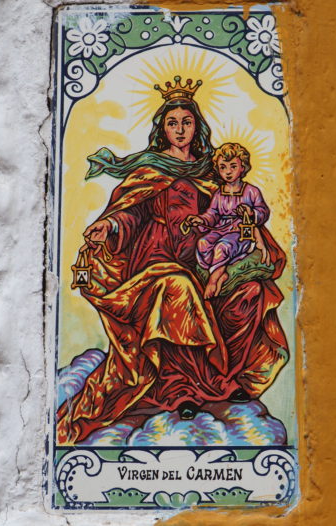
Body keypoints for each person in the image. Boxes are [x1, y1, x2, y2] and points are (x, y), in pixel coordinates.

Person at [57, 77, 289, 445]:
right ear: (162, 128)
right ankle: (180, 390)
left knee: (250, 292)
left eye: (187, 122)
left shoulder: (212, 170)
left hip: (204, 259)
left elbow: (231, 212)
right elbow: (131, 214)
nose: (180, 130)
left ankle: (228, 380)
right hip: (156, 260)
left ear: (197, 127)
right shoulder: (150, 169)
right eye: (172, 123)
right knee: (178, 289)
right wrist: (109, 225)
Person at [185, 142, 271, 299]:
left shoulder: (251, 191)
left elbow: (263, 212)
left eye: (233, 166)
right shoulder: (219, 193)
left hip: (241, 232)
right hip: (221, 229)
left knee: (222, 247)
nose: (228, 172)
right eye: (223, 167)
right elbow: (212, 214)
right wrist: (200, 220)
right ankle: (221, 272)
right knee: (202, 243)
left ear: (242, 167)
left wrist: (250, 212)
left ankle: (213, 280)